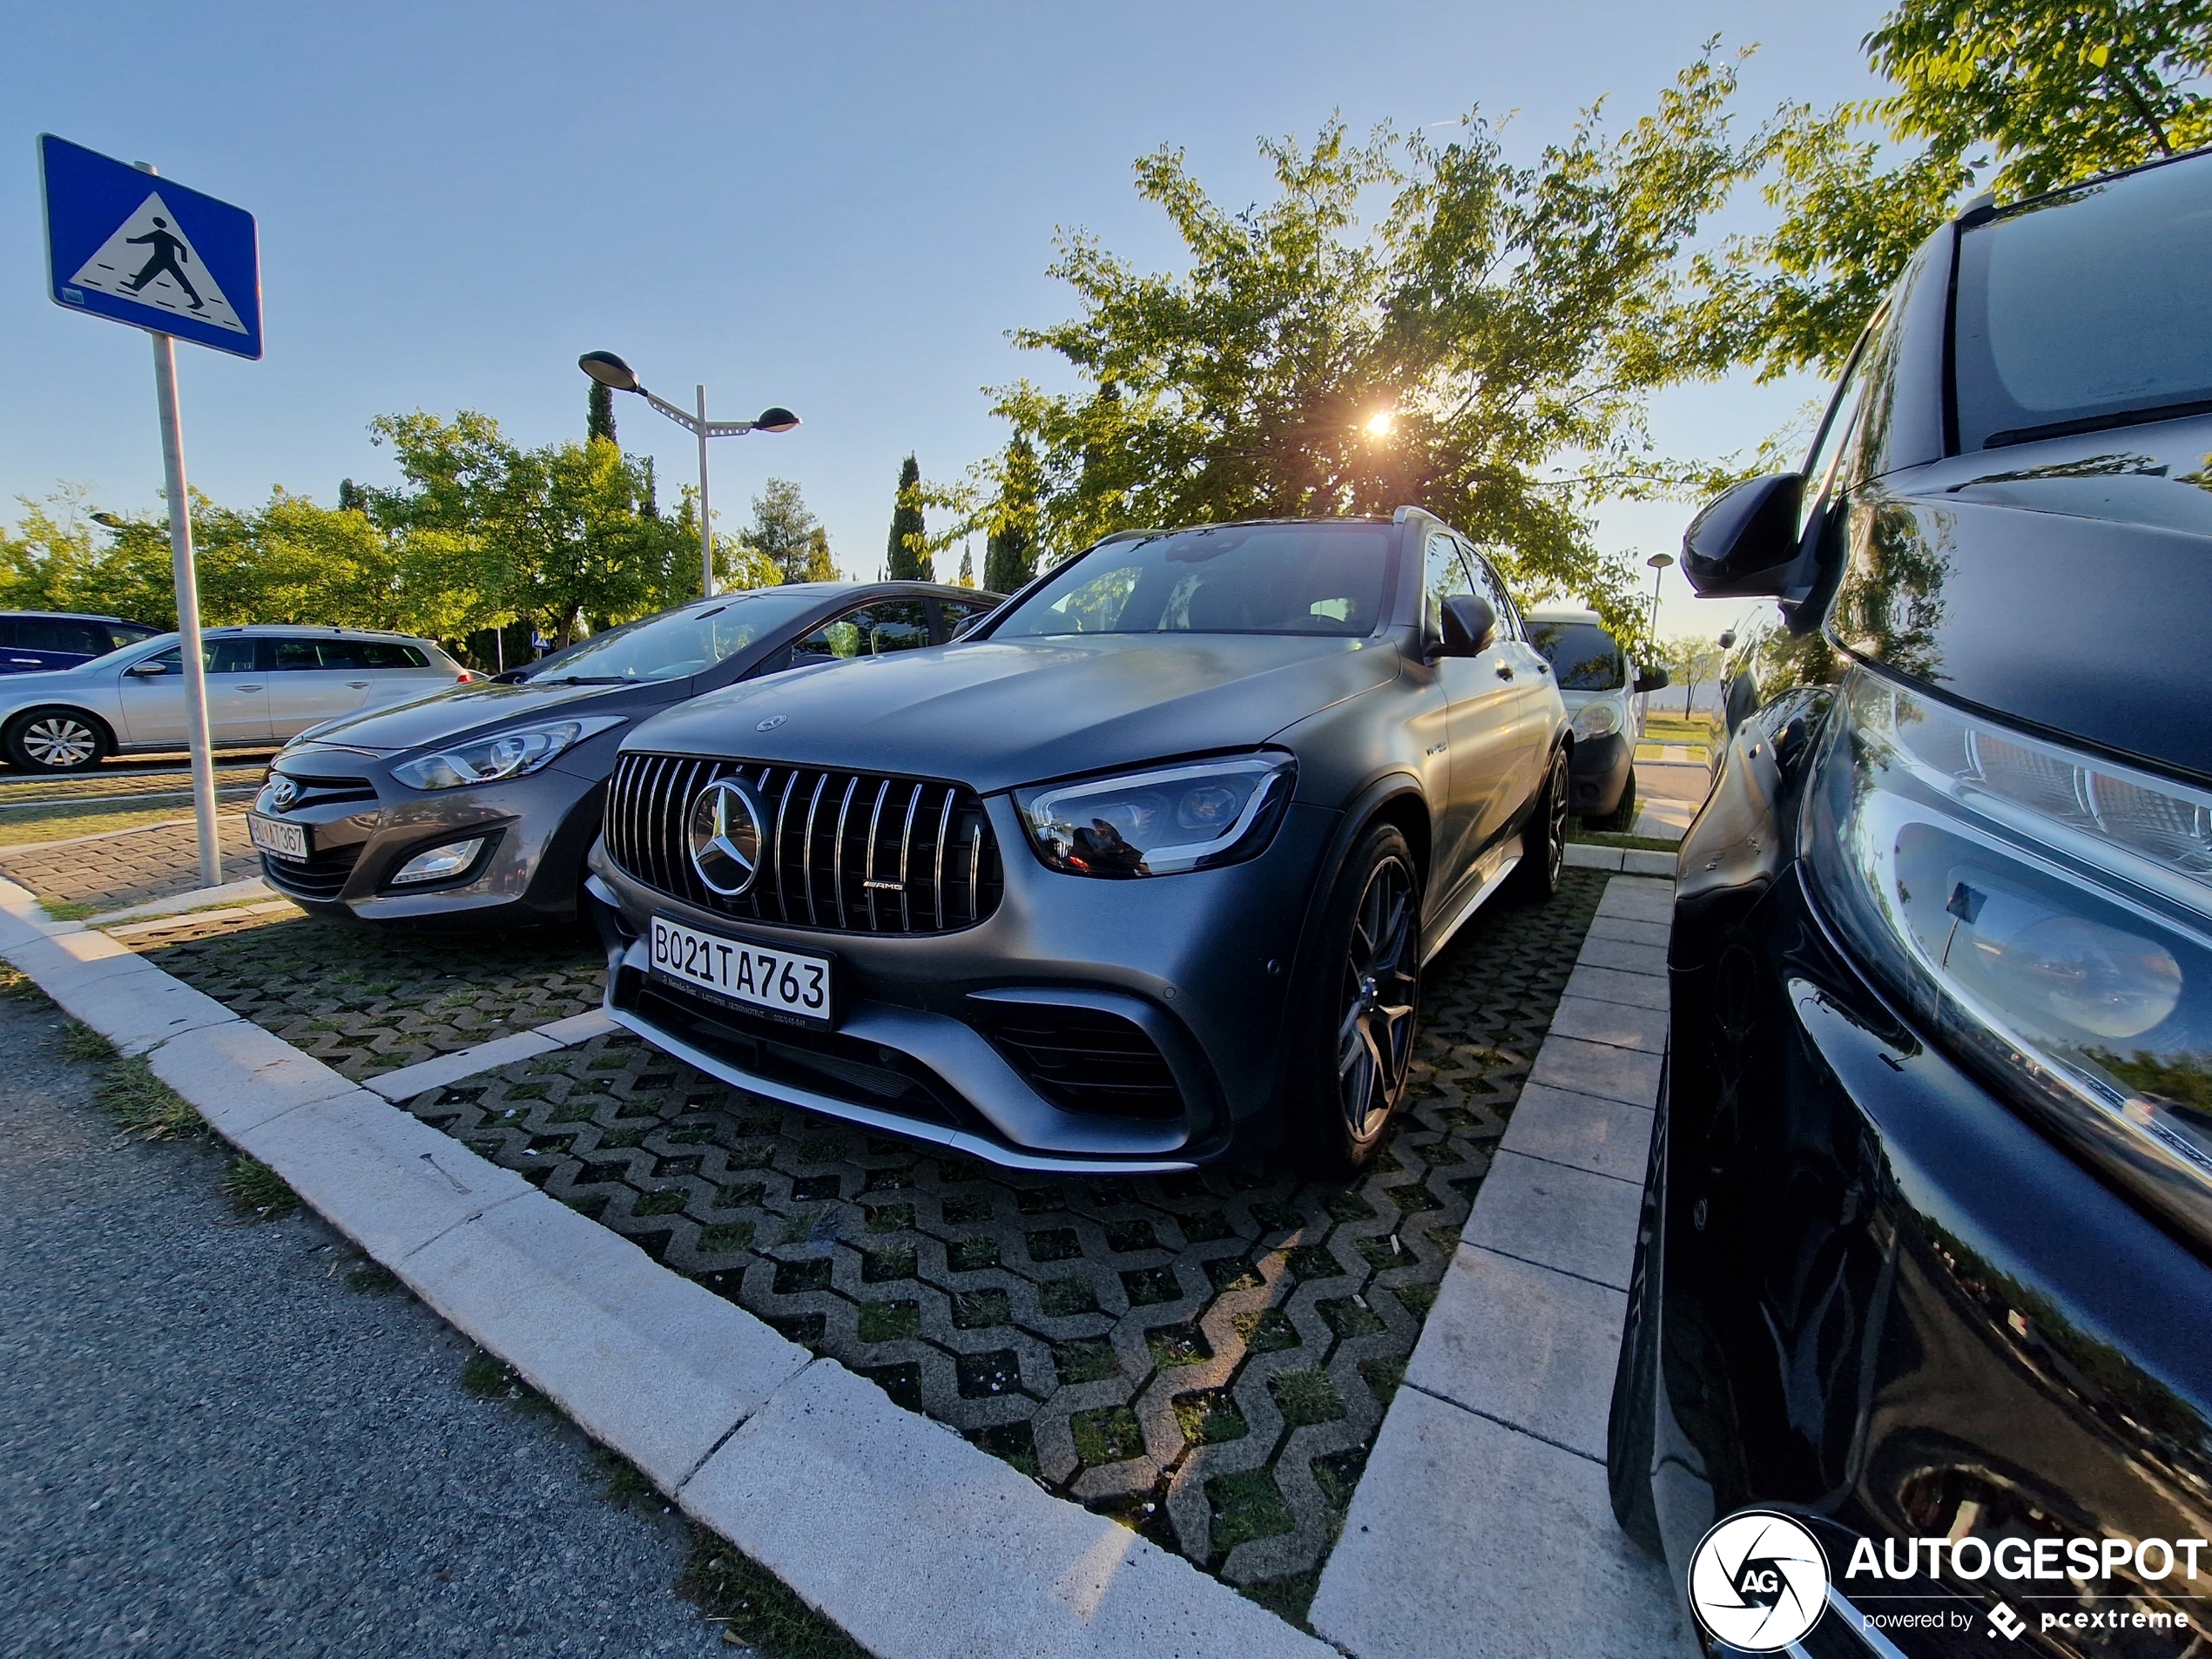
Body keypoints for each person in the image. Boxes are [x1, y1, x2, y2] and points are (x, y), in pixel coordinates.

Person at [124, 217, 203, 311]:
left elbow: (143, 240)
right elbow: (183, 248)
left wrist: (130, 240)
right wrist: (183, 260)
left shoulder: (158, 234)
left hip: (161, 259)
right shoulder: (168, 236)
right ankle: (136, 286)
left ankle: (198, 302)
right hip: (166, 259)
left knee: (181, 280)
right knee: (147, 272)